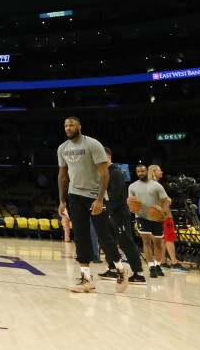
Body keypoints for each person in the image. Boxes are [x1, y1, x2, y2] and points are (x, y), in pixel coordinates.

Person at [56, 116, 130, 294]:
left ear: (79, 126)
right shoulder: (62, 148)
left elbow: (105, 174)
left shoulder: (92, 144)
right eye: (66, 125)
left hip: (94, 197)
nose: (68, 127)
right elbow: (62, 176)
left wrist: (99, 199)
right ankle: (86, 278)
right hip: (75, 196)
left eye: (71, 124)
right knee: (81, 237)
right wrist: (62, 200)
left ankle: (121, 269)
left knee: (104, 236)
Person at [100, 148, 146, 285]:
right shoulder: (105, 172)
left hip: (118, 212)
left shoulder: (116, 172)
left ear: (108, 156)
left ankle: (139, 273)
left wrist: (108, 210)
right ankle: (112, 269)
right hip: (110, 211)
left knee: (126, 242)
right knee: (109, 241)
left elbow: (117, 195)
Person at [127, 164, 171, 278]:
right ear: (136, 173)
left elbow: (165, 201)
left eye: (142, 171)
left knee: (158, 243)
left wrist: (165, 214)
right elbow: (130, 201)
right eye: (138, 172)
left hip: (156, 217)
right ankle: (151, 267)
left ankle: (158, 265)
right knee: (146, 242)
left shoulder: (156, 185)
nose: (140, 173)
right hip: (141, 216)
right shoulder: (132, 186)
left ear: (147, 171)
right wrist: (132, 208)